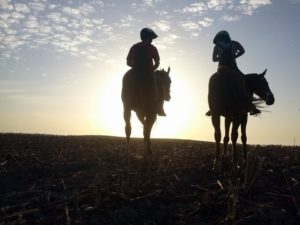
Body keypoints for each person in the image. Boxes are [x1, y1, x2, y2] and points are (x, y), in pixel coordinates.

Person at [212, 30, 261, 115]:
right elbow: (242, 51)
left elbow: (213, 59)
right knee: (245, 81)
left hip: (222, 69)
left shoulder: (216, 46)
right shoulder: (234, 43)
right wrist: (234, 56)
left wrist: (221, 58)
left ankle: (212, 107)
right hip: (234, 68)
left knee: (214, 86)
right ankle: (250, 105)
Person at [126, 28, 166, 116]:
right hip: (148, 72)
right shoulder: (152, 48)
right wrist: (152, 69)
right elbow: (157, 62)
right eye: (151, 38)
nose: (152, 40)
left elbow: (128, 62)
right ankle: (160, 107)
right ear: (147, 37)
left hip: (135, 71)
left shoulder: (134, 47)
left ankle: (126, 103)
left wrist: (136, 67)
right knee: (160, 83)